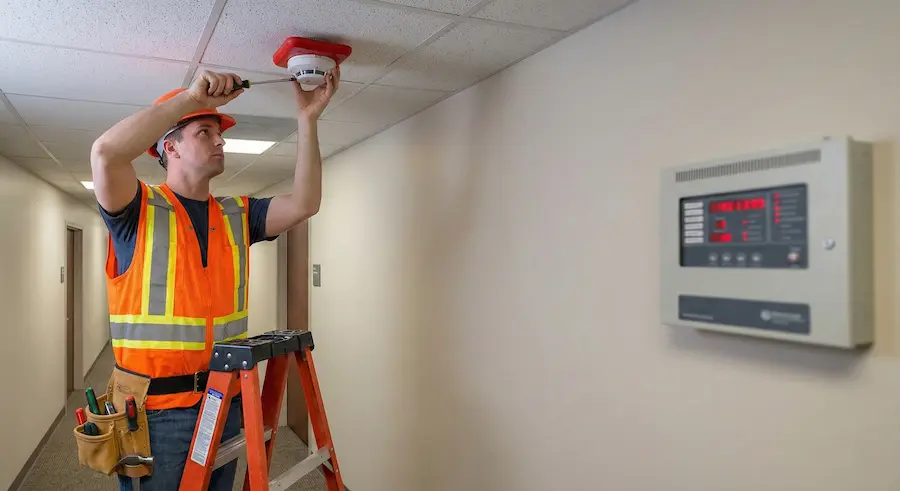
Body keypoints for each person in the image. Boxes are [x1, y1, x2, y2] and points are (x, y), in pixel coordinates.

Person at [89, 67, 340, 490]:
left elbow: (305, 202)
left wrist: (307, 120)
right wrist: (192, 100)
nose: (221, 139)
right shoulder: (137, 211)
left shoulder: (238, 215)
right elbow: (106, 154)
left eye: (217, 133)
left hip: (226, 401)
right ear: (170, 147)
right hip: (155, 413)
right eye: (205, 131)